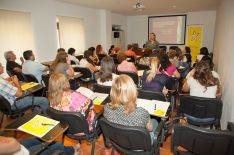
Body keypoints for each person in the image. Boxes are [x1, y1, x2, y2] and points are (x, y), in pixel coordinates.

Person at [103, 75, 158, 142]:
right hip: (139, 145)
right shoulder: (142, 113)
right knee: (155, 121)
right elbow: (150, 129)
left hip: (118, 141)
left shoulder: (106, 108)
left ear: (113, 91)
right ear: (133, 91)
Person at [0, 136, 80, 155]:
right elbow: (14, 145)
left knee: (44, 139)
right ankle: (72, 150)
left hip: (19, 147)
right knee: (57, 145)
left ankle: (69, 149)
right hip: (24, 152)